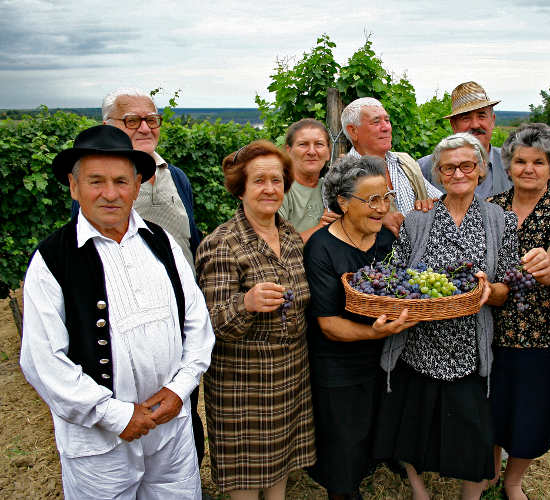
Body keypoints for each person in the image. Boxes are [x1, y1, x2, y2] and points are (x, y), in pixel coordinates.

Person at [20, 125, 215, 499]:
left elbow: (197, 325)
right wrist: (116, 415)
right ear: (74, 187)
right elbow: (43, 361)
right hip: (99, 443)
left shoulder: (163, 243)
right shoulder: (52, 260)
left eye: (121, 181)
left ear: (137, 185)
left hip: (170, 429)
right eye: (96, 181)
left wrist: (179, 390)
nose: (110, 194)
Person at [374, 132, 519, 500]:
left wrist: (490, 293)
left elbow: (507, 287)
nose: (457, 173)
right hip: (419, 343)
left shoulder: (501, 221)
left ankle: (470, 496)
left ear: (481, 170)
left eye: (466, 165)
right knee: (413, 427)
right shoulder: (418, 220)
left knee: (472, 435)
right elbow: (402, 277)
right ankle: (420, 490)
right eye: (448, 167)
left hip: (469, 347)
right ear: (437, 174)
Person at [72, 87, 207, 465]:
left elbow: (189, 238)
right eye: (132, 120)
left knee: (183, 408)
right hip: (125, 322)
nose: (145, 127)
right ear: (109, 125)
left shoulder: (175, 176)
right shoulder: (96, 186)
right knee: (130, 412)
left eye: (152, 119)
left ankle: (185, 481)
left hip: (178, 316)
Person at [196, 140, 316, 499]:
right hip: (244, 385)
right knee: (246, 479)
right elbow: (212, 325)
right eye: (259, 181)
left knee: (280, 467)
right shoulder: (222, 244)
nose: (270, 189)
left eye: (277, 180)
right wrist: (245, 303)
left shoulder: (291, 236)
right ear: (241, 188)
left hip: (291, 374)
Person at [303, 155, 417, 500]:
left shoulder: (386, 243)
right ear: (343, 203)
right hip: (338, 365)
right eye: (372, 200)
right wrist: (376, 333)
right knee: (343, 441)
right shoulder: (322, 249)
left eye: (386, 197)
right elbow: (328, 324)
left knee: (369, 432)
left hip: (382, 360)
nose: (382, 208)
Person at [487, 123, 550, 500]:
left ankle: (513, 481)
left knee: (532, 411)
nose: (528, 168)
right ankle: (490, 470)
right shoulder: (491, 209)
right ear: (509, 165)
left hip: (541, 333)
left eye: (538, 162)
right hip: (491, 328)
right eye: (521, 161)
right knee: (492, 405)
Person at [418, 81, 550, 197]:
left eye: (482, 116)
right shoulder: (427, 167)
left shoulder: (513, 161)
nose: (475, 124)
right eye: (465, 118)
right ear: (453, 126)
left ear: (493, 121)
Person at [341, 97, 443, 236]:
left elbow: (441, 200)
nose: (386, 127)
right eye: (376, 122)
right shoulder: (341, 175)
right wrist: (377, 218)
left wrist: (430, 205)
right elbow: (338, 226)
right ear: (353, 131)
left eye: (387, 120)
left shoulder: (404, 162)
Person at [279, 118, 341, 242]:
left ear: (328, 152)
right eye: (303, 144)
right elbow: (276, 247)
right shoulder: (280, 190)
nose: (312, 152)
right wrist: (321, 227)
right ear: (289, 151)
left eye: (319, 144)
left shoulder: (331, 187)